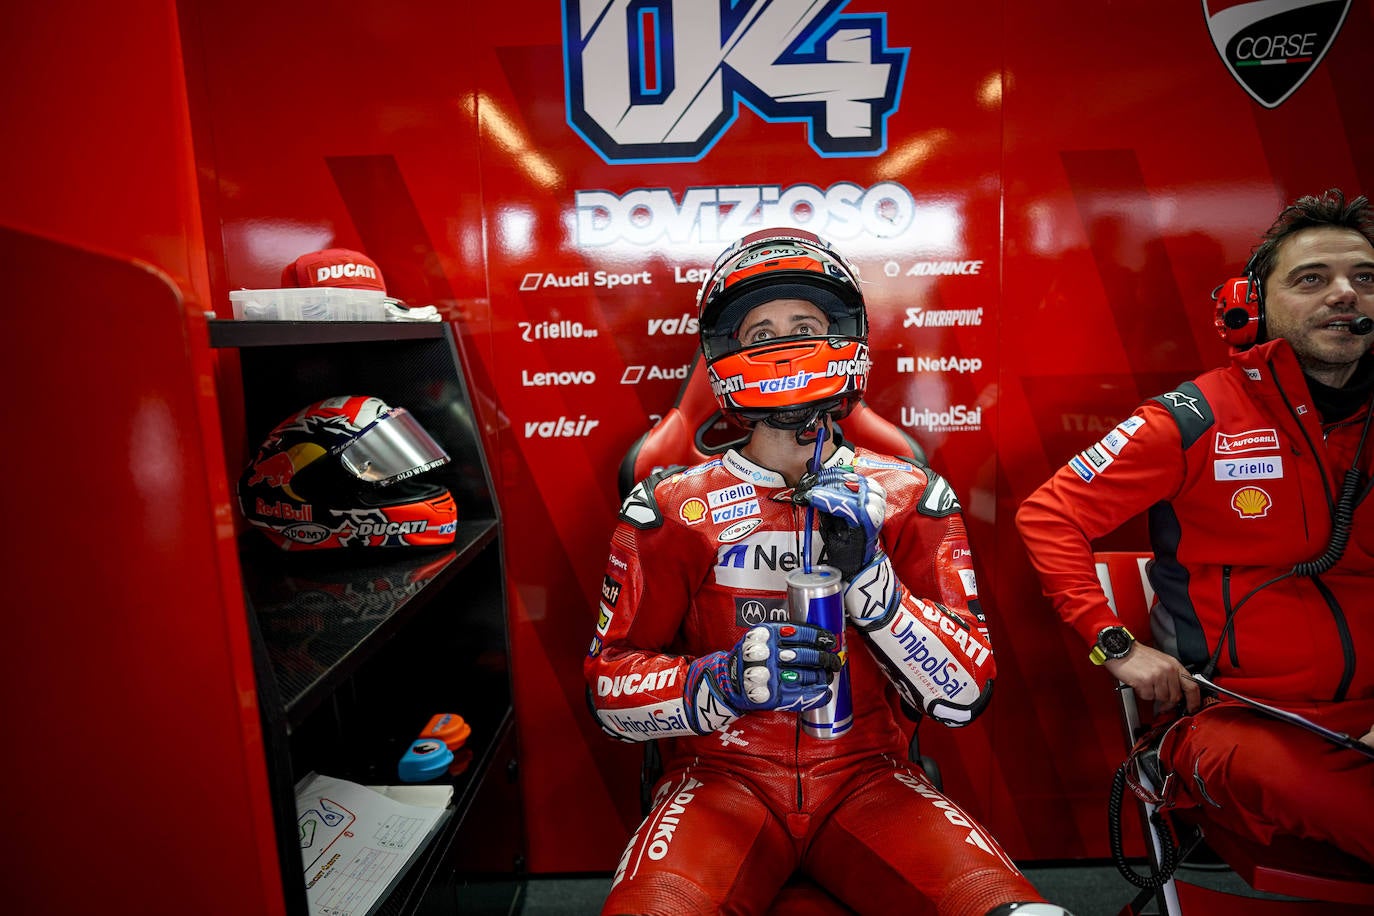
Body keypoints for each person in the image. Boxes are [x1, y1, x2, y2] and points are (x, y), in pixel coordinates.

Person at [586, 227, 1071, 915]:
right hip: (719, 778)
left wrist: (873, 587)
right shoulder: (669, 507)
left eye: (805, 326)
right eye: (762, 334)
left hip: (870, 780)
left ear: (846, 338)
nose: (784, 346)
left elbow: (964, 695)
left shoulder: (909, 496)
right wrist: (719, 682)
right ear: (723, 356)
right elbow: (606, 694)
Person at [1016, 188, 1374, 866]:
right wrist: (1114, 644)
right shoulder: (1192, 417)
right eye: (1312, 279)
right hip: (1238, 723)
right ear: (1252, 305)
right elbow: (1048, 514)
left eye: (1365, 278)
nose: (1344, 294)